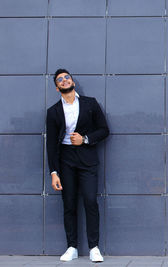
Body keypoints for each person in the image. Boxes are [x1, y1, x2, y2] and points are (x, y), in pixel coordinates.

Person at [46, 69, 109, 262]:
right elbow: (50, 144)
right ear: (57, 88)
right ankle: (72, 247)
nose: (65, 80)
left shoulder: (90, 103)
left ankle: (94, 247)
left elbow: (104, 130)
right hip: (66, 159)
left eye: (67, 77)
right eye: (60, 80)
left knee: (90, 201)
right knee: (69, 204)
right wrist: (54, 172)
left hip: (87, 157)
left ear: (72, 81)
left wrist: (85, 139)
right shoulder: (53, 111)